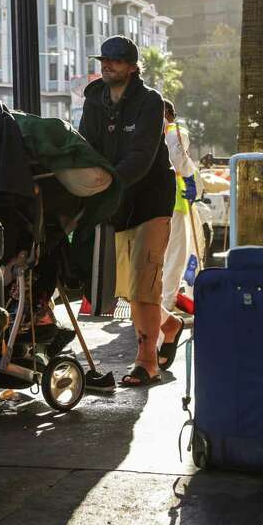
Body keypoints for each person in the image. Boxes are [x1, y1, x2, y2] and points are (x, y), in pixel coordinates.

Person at [79, 36, 183, 387]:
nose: (107, 65)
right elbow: (86, 145)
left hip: (151, 201)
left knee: (143, 281)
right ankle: (169, 325)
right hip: (114, 203)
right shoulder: (95, 98)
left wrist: (106, 183)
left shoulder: (149, 102)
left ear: (133, 67)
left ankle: (146, 361)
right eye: (104, 60)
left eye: (116, 61)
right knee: (127, 288)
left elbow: (141, 157)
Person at [160, 99, 202, 311]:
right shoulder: (174, 131)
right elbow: (178, 157)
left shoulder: (146, 132)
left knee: (159, 256)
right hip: (175, 200)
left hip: (155, 202)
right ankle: (166, 306)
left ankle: (157, 304)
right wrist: (190, 174)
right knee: (175, 256)